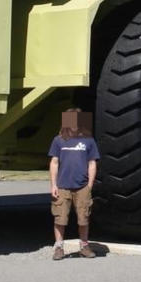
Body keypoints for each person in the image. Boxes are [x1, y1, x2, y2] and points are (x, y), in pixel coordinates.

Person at [48, 108, 100, 260]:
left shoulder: (89, 141)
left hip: (82, 186)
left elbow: (92, 163)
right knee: (60, 218)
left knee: (84, 217)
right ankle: (58, 247)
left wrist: (89, 185)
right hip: (62, 186)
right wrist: (53, 185)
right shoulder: (58, 140)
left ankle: (84, 246)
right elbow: (54, 162)